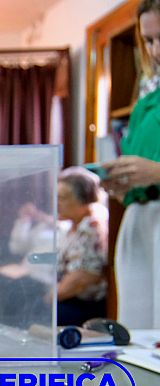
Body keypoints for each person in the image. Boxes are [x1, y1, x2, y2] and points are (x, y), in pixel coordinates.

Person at [101, 0, 160, 328]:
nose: (155, 51)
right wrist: (120, 185)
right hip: (137, 221)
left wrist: (154, 172)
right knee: (136, 330)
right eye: (149, 41)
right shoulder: (143, 107)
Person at [54, 170, 108, 326]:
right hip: (65, 297)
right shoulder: (69, 225)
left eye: (62, 198)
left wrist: (43, 301)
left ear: (84, 200)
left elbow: (80, 280)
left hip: (85, 306)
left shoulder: (92, 227)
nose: (57, 203)